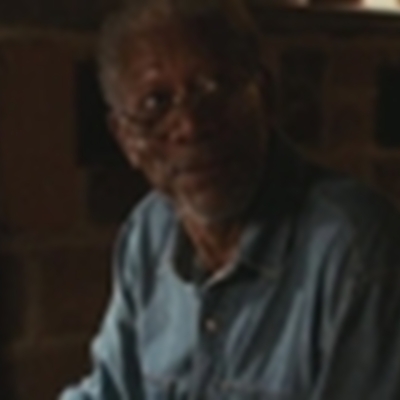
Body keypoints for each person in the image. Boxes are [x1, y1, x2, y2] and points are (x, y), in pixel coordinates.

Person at [59, 0, 400, 399]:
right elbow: (112, 389)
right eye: (156, 103)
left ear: (265, 96)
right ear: (126, 139)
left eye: (213, 88)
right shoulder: (148, 233)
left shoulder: (354, 249)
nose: (190, 125)